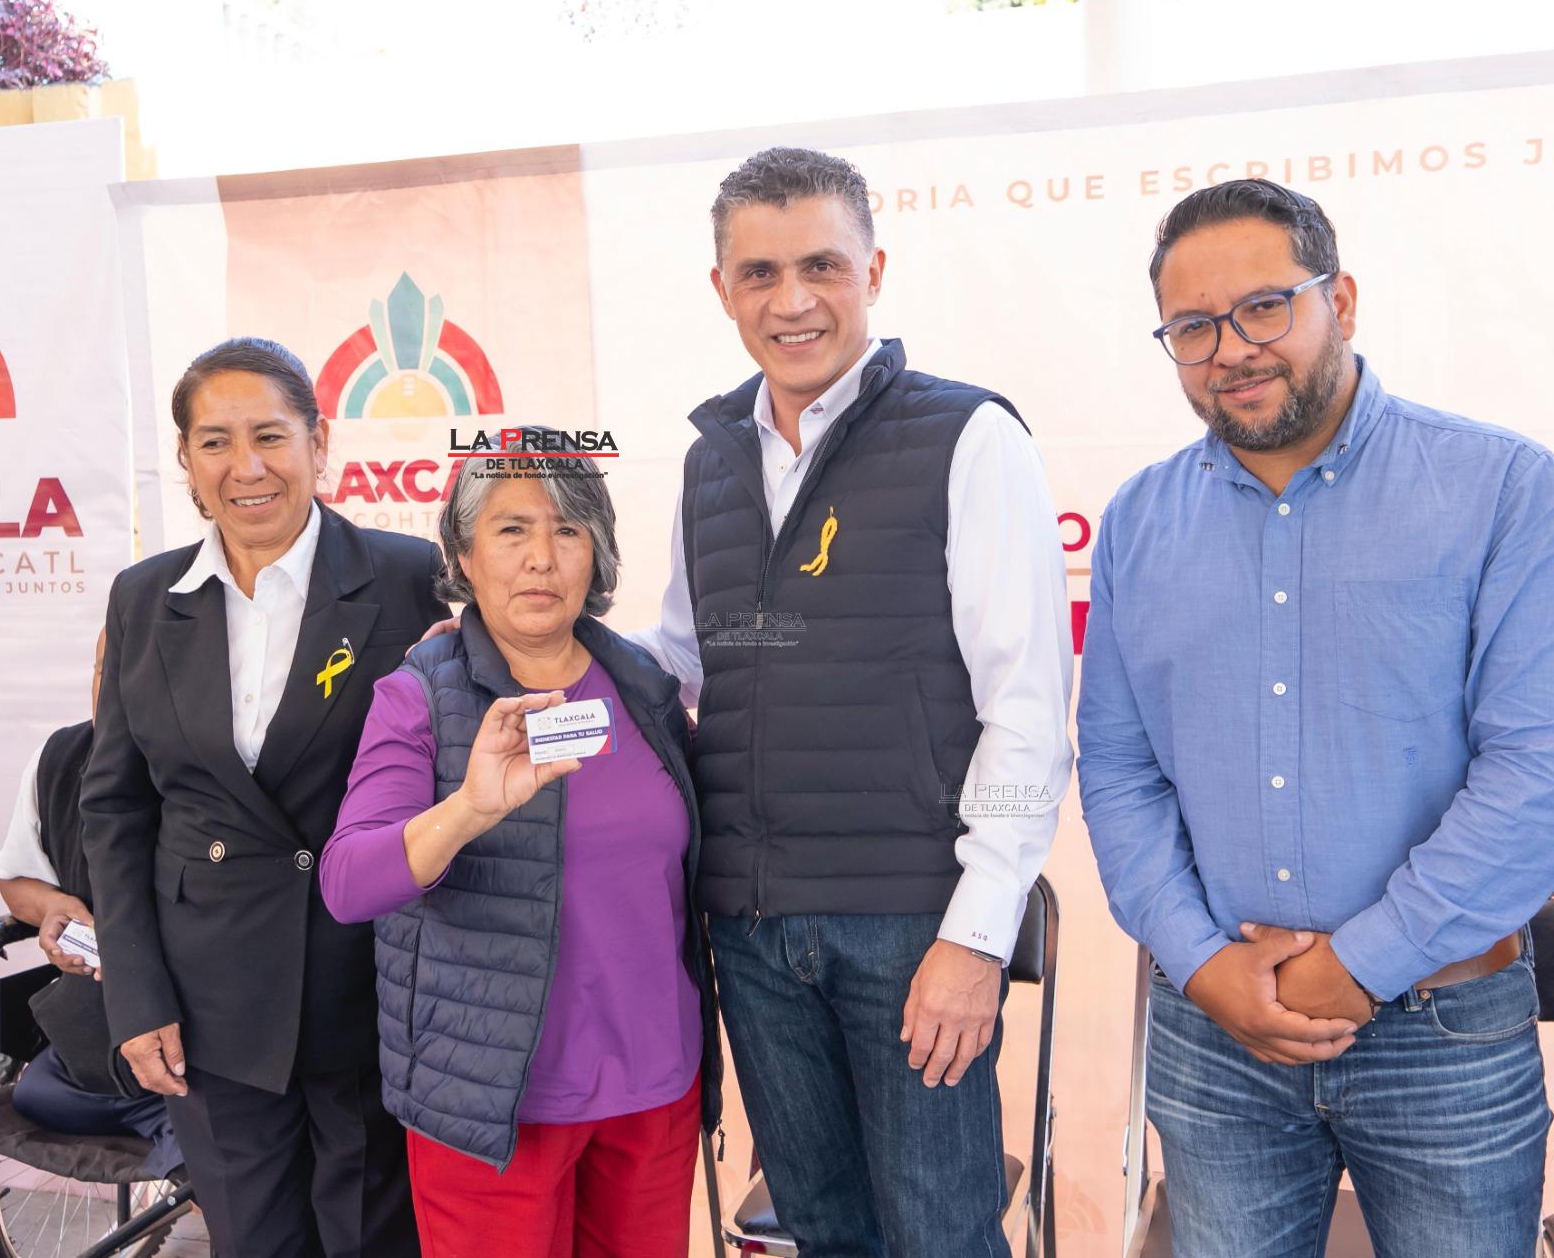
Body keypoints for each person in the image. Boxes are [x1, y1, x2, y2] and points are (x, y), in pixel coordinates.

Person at [1077, 179, 1554, 1257]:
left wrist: (1358, 963)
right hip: (1214, 1035)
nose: (1231, 349)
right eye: (1193, 327)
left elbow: (1535, 772)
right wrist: (1202, 965)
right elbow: (1117, 769)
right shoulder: (1139, 520)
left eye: (1263, 307)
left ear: (1339, 298)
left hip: (1443, 1031)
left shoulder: (1504, 488)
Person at [630, 146, 1075, 1256]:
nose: (793, 301)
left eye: (821, 266)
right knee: (822, 1236)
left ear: (873, 269)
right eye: (760, 272)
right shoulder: (710, 460)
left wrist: (976, 936)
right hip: (751, 927)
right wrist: (521, 651)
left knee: (941, 1237)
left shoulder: (970, 436)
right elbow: (683, 662)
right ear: (722, 289)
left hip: (913, 926)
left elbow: (1026, 708)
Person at [80, 336, 448, 1258]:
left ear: (319, 443)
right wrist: (135, 992)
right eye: (215, 441)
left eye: (270, 436)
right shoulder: (144, 597)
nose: (246, 467)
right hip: (208, 1005)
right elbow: (115, 810)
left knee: (375, 1240)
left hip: (369, 990)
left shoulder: (409, 577)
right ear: (186, 460)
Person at [319, 434, 720, 1258]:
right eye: (511, 529)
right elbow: (349, 882)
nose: (542, 556)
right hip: (492, 1106)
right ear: (465, 556)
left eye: (568, 529)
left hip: (654, 1091)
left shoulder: (644, 686)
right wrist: (467, 809)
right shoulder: (419, 695)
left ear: (596, 552)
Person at [0, 628, 182, 1180]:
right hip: (94, 1033)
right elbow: (15, 880)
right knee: (33, 1095)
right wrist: (51, 905)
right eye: (105, 669)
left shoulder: (217, 767)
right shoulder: (57, 760)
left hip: (195, 1031)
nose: (115, 686)